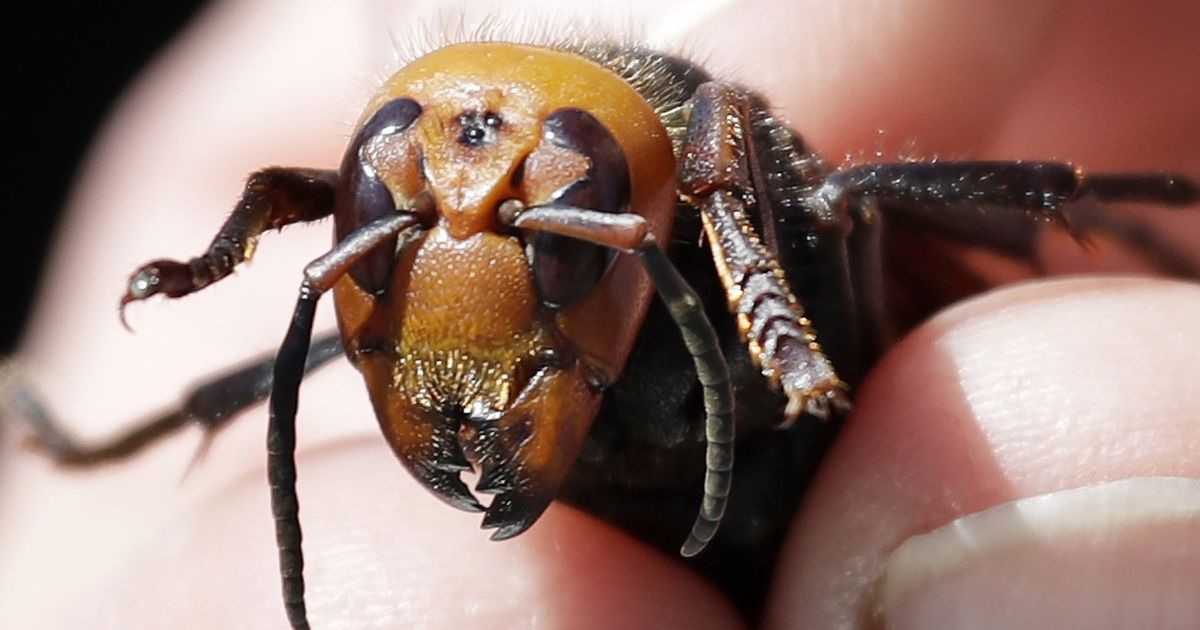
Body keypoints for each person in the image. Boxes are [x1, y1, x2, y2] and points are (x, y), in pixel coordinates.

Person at [1, 1, 1196, 627]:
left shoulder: (723, 162)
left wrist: (762, 292)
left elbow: (755, 140)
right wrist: (220, 266)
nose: (455, 235)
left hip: (825, 458)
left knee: (855, 195)